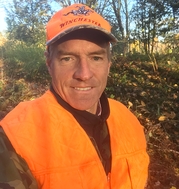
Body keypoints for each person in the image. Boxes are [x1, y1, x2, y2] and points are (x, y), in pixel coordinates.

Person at [0, 3, 149, 189]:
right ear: (49, 64)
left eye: (96, 58)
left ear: (109, 64)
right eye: (67, 58)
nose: (84, 74)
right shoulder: (13, 137)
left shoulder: (129, 120)